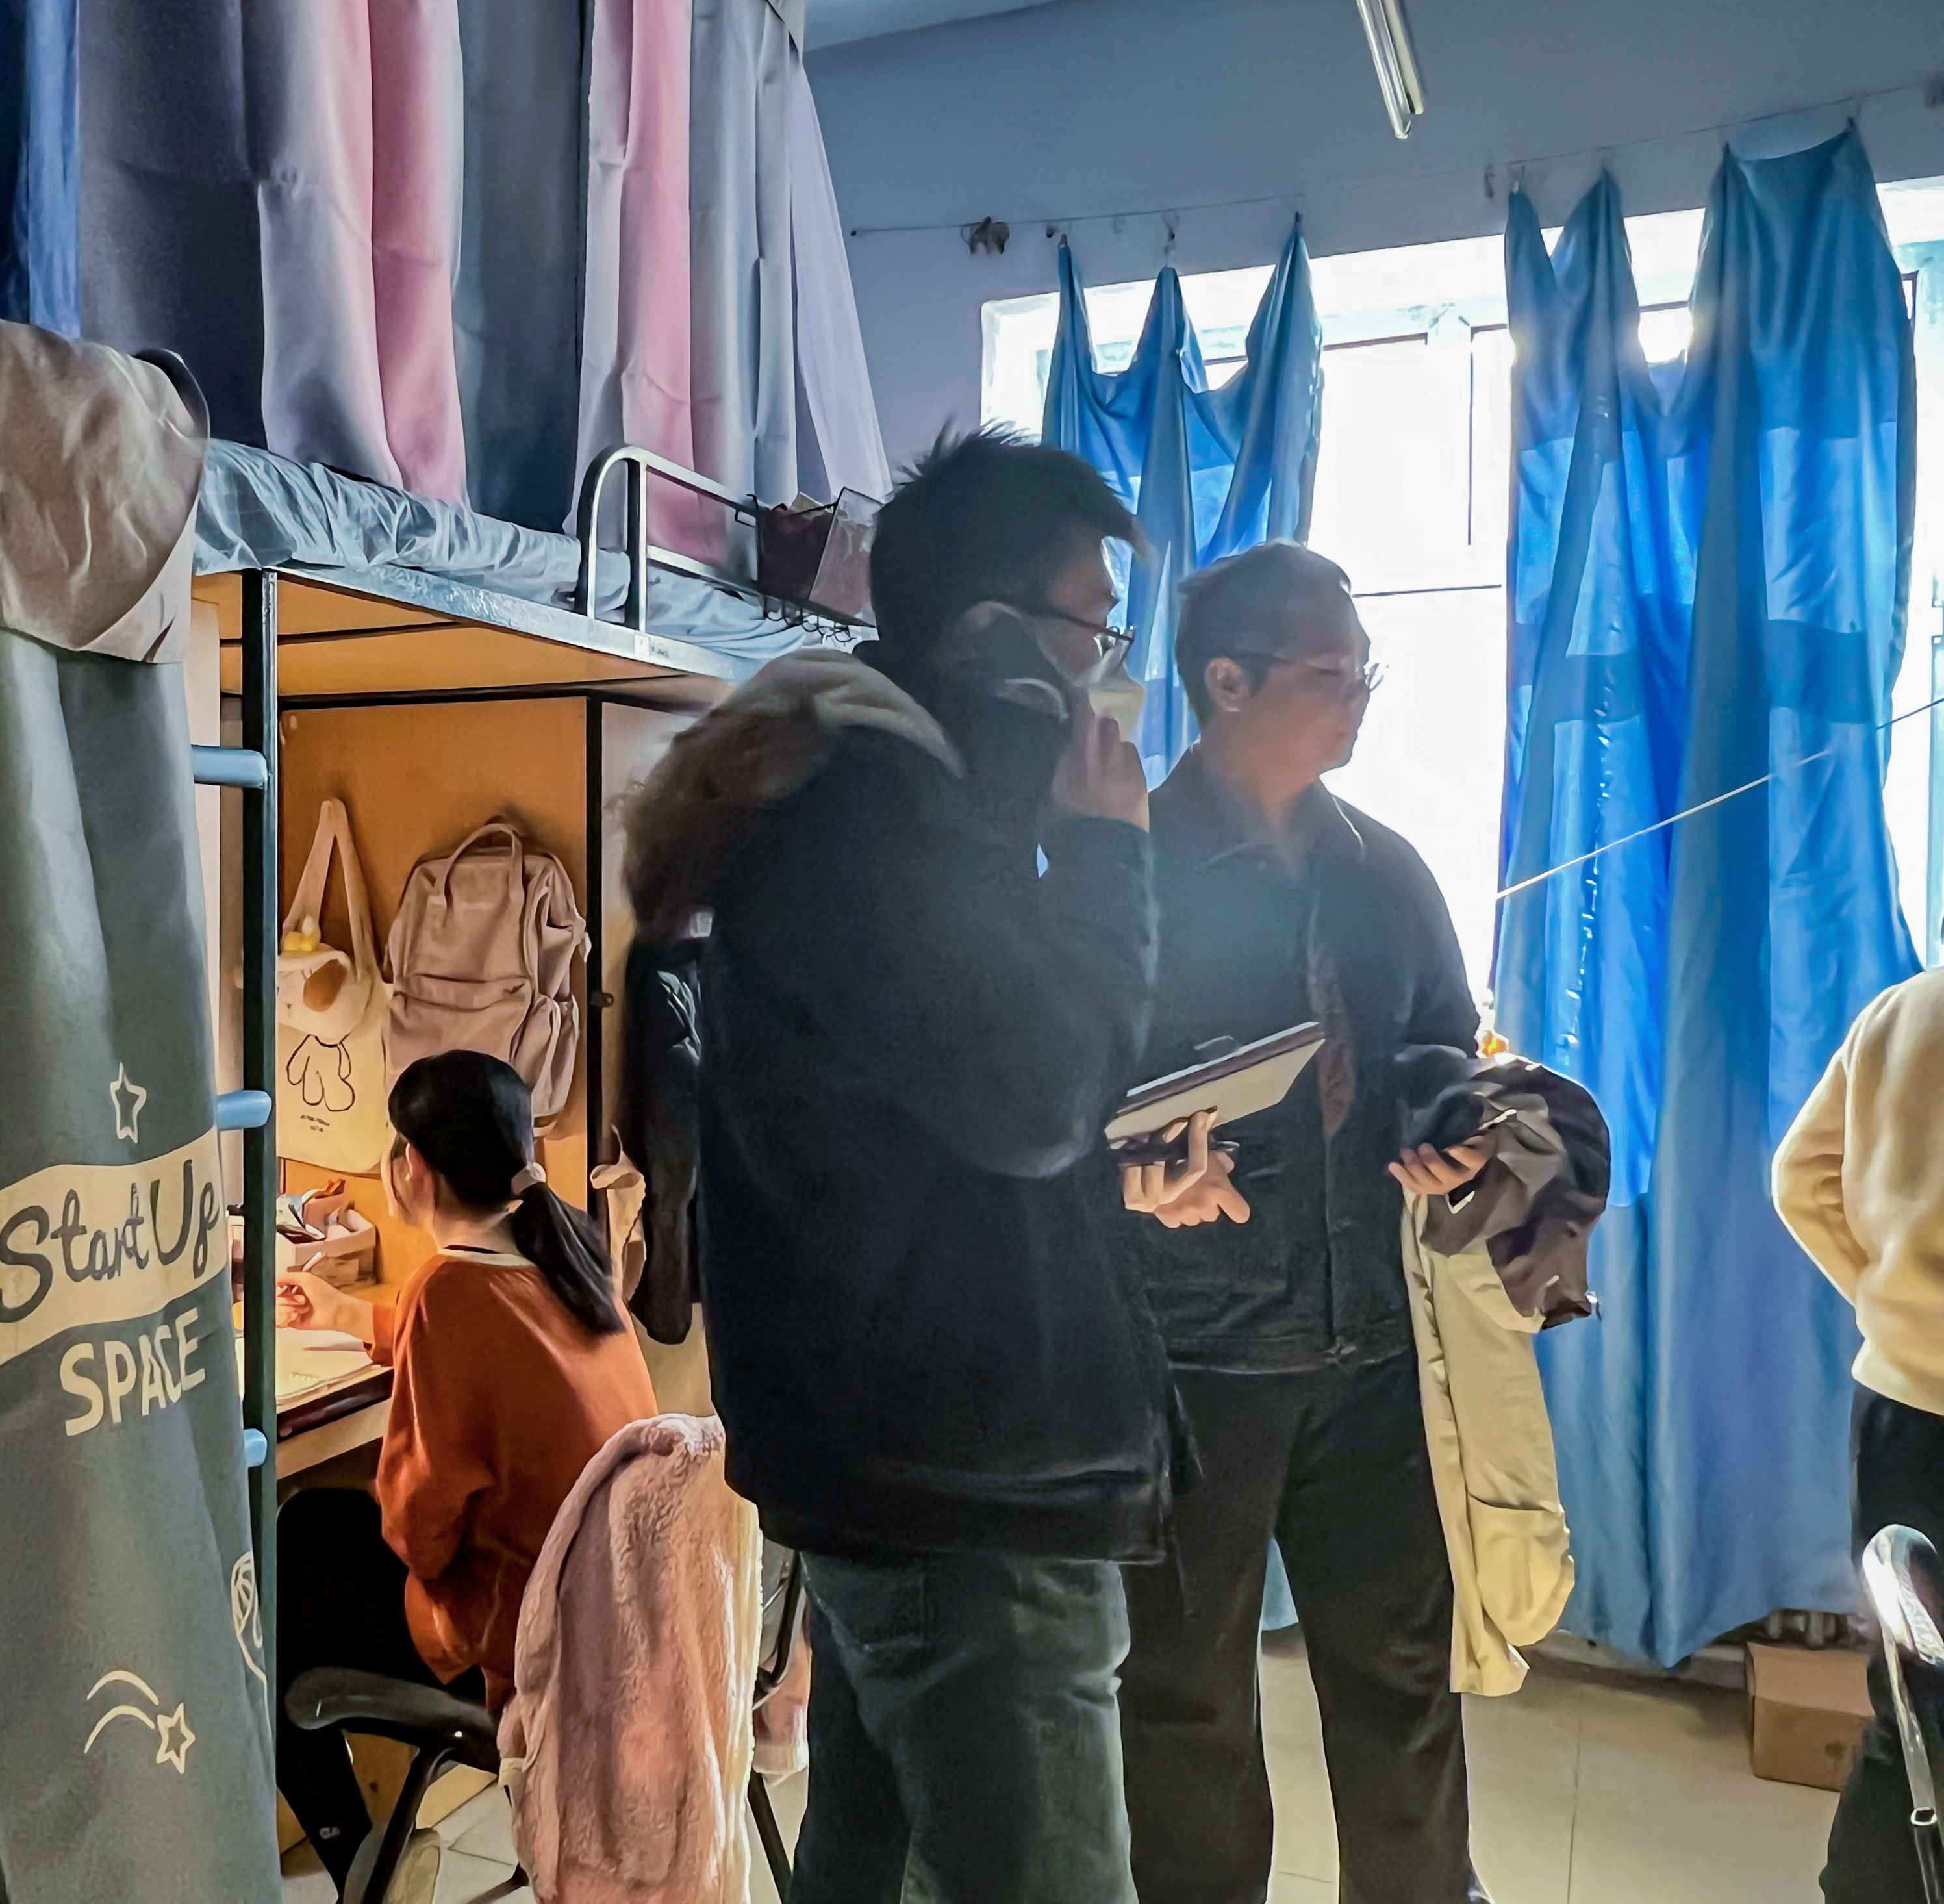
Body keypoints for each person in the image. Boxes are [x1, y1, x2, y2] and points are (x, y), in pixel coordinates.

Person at [622, 427, 1235, 1904]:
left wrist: (1105, 1186)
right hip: (962, 1501)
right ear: (991, 638)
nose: (1106, 674)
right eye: (1094, 629)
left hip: (922, 1469)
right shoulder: (875, 821)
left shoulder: (900, 805)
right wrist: (1111, 855)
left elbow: (933, 1142)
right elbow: (1034, 1094)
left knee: (874, 1867)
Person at [1117, 541, 1494, 1904]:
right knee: (1184, 1702)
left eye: (1366, 672)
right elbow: (1055, 1095)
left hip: (1373, 1351)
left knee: (1404, 1684)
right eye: (1336, 672)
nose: (1361, 699)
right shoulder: (1126, 870)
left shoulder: (1385, 868)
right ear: (1228, 681)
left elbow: (1445, 1039)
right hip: (1192, 1359)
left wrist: (1452, 1119)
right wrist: (1139, 1148)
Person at [274, 1050, 657, 1900]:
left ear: (412, 1165)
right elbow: (501, 1352)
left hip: (519, 1638)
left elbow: (419, 1534)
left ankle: (360, 1857)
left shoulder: (447, 1291)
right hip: (604, 1614)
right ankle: (367, 1852)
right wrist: (351, 1315)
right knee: (306, 1528)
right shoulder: (572, 1260)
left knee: (272, 1584)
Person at [1773, 966, 1944, 1904]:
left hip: (1899, 1407)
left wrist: (1892, 1312)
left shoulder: (1906, 1007)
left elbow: (1799, 1180)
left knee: (1910, 1714)